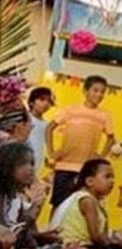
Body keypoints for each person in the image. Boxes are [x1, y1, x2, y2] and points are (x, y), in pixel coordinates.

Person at [45, 75, 116, 209]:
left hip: (85, 169)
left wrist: (101, 158)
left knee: (79, 206)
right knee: (58, 204)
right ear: (85, 91)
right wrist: (51, 152)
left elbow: (111, 138)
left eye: (102, 92)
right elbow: (49, 128)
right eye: (95, 90)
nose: (99, 95)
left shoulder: (104, 115)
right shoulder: (70, 110)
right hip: (64, 166)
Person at [49, 158, 122, 249]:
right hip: (77, 248)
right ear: (89, 181)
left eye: (113, 177)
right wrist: (110, 244)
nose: (112, 181)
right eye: (107, 177)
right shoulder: (87, 200)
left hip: (82, 247)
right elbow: (95, 237)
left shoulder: (94, 201)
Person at [0, 143, 61, 249]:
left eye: (32, 164)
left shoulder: (15, 198)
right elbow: (6, 230)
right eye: (23, 164)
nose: (30, 169)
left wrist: (41, 235)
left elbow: (20, 231)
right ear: (7, 166)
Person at [26, 87, 55, 169]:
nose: (46, 103)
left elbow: (42, 145)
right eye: (42, 99)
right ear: (31, 102)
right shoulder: (25, 118)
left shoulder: (46, 125)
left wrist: (46, 159)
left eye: (49, 101)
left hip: (37, 163)